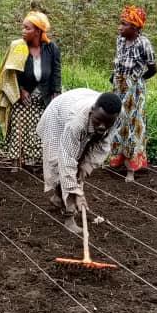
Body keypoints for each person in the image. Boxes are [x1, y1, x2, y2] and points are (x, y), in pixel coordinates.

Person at [40, 89, 122, 234]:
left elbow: (102, 146)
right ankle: (69, 217)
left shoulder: (115, 117)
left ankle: (57, 198)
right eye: (98, 121)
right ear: (92, 111)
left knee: (79, 167)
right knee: (60, 164)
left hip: (76, 103)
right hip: (58, 116)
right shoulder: (76, 122)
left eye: (107, 123)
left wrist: (84, 169)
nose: (102, 126)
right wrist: (77, 192)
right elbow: (66, 160)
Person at [0, 11, 61, 169]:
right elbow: (11, 72)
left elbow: (56, 73)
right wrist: (20, 89)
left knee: (38, 131)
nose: (23, 31)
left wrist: (55, 94)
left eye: (27, 28)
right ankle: (17, 164)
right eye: (23, 27)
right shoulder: (19, 47)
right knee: (19, 129)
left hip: (43, 96)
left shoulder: (51, 48)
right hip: (22, 95)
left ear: (38, 31)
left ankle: (33, 163)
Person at [107, 5, 157, 182]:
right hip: (118, 87)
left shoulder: (143, 43)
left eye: (124, 24)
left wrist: (137, 80)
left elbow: (153, 68)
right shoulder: (120, 41)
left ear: (135, 28)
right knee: (117, 123)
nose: (120, 27)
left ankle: (131, 170)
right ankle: (117, 161)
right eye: (120, 23)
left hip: (134, 92)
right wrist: (115, 78)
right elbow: (118, 60)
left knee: (132, 127)